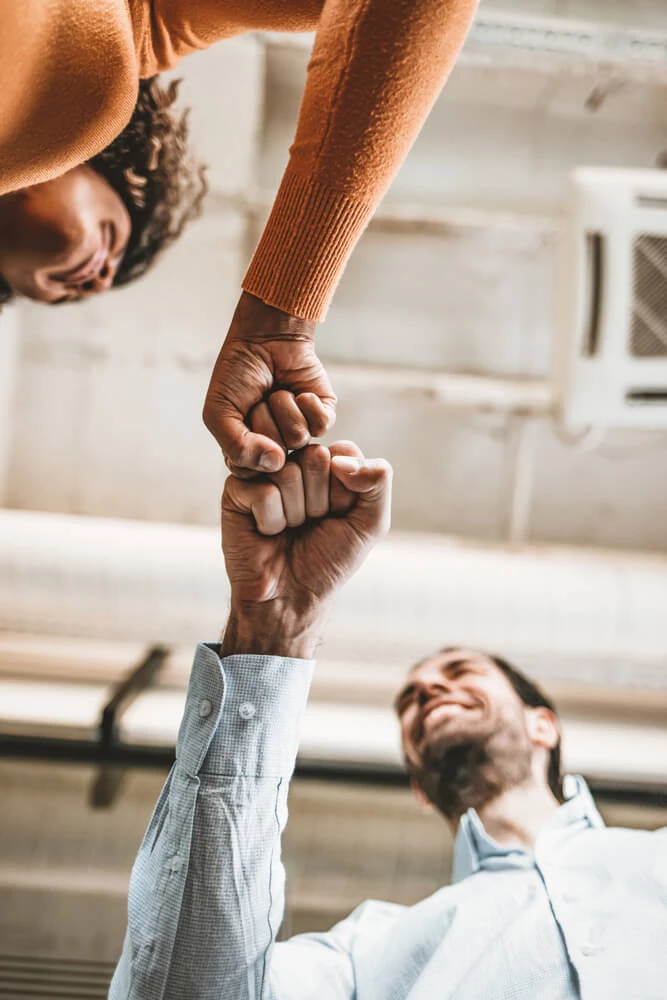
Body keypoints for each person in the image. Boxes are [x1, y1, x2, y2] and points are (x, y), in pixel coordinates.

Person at [109, 436, 667, 1000]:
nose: (428, 689)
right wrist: (272, 629)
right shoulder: (363, 954)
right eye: (410, 701)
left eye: (460, 671)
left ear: (542, 725)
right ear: (421, 788)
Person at [0, 0, 479, 474]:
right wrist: (282, 305)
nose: (99, 280)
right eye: (120, 246)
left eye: (63, 298)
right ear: (125, 171)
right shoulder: (146, 23)